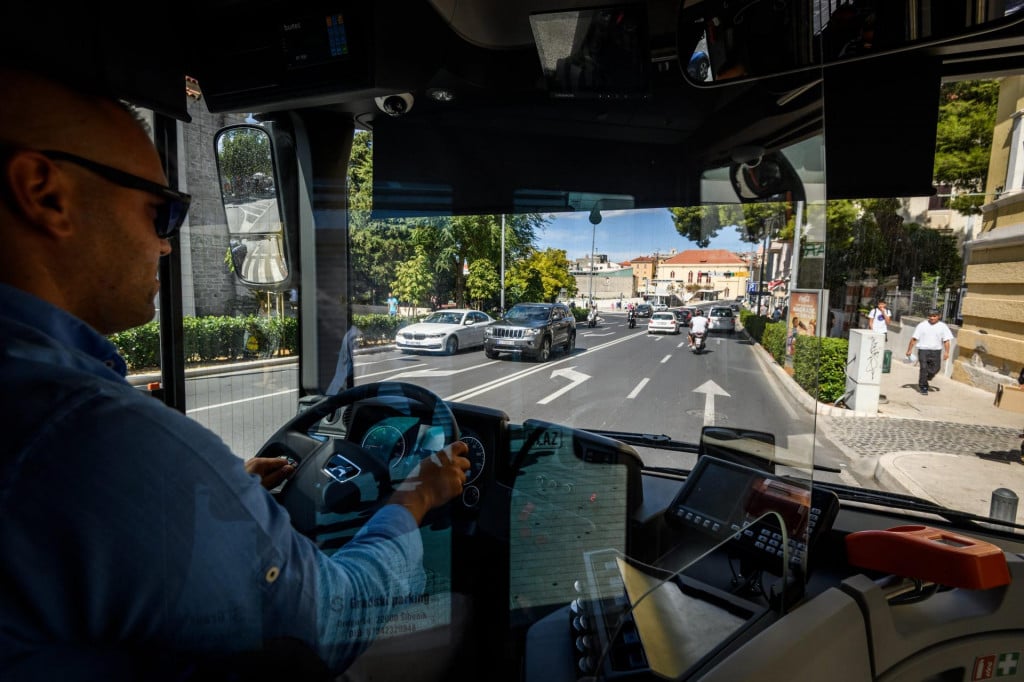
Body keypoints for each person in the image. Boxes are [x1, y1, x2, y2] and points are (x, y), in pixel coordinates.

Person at [0, 65, 470, 679]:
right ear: (45, 192)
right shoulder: (91, 433)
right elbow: (329, 620)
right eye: (160, 213)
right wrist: (414, 498)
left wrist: (227, 489)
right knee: (460, 613)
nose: (166, 244)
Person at [905, 308, 954, 395]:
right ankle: (923, 387)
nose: (932, 318)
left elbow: (946, 341)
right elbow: (914, 338)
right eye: (930, 316)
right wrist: (909, 350)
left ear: (939, 316)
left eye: (934, 316)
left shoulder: (943, 326)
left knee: (936, 368)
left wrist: (947, 352)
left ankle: (926, 378)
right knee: (923, 368)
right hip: (923, 350)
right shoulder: (922, 325)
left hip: (936, 351)